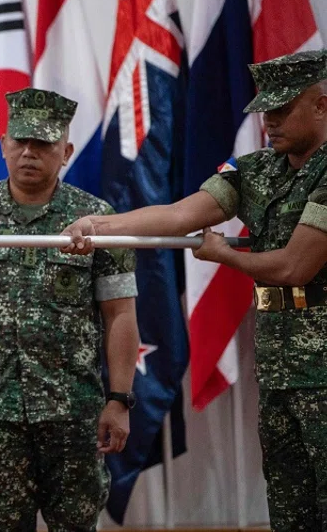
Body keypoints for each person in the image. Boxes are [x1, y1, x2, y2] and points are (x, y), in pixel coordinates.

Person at [63, 50, 327, 531]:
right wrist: (96, 225)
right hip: (280, 368)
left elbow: (294, 266)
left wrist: (226, 255)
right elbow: (179, 215)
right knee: (291, 505)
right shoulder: (257, 170)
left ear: (321, 105)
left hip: (322, 369)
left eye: (282, 109)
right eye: (265, 110)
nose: (269, 121)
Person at [0, 88, 140, 530]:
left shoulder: (97, 219)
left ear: (66, 152)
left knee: (76, 522)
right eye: (20, 141)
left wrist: (119, 400)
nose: (28, 152)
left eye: (42, 143)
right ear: (3, 144)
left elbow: (120, 315)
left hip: (73, 410)